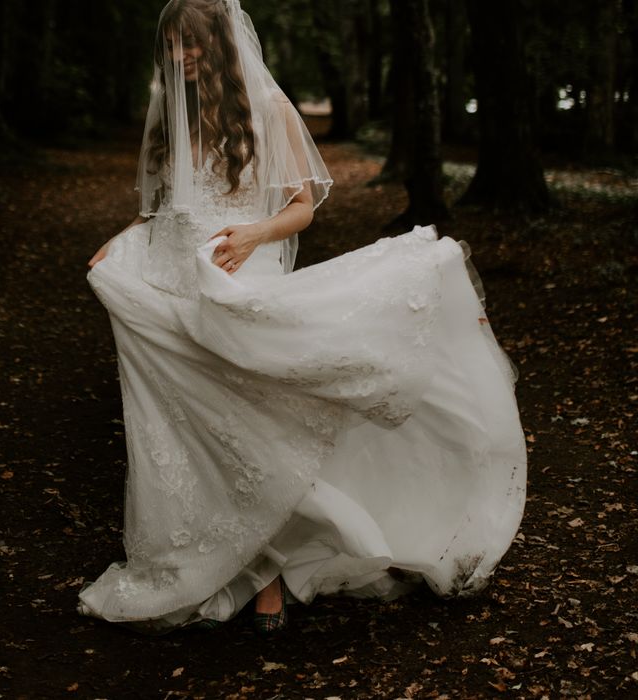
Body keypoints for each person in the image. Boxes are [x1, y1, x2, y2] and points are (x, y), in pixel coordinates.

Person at [77, 0, 526, 635]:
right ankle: (240, 562)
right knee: (204, 431)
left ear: (222, 44)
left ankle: (273, 573)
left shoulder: (271, 109)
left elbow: (301, 208)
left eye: (192, 44)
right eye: (173, 46)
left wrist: (253, 235)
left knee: (259, 427)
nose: (181, 58)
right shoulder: (174, 119)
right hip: (175, 285)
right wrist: (119, 239)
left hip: (241, 272)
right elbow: (163, 211)